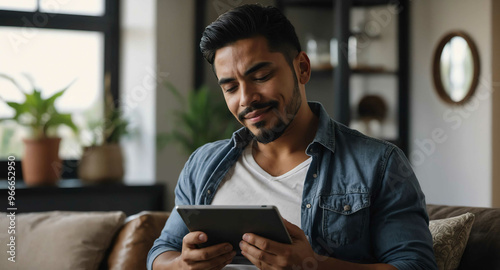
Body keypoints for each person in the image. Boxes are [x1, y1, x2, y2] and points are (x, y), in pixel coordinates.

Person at [148, 4, 437, 270]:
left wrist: (312, 265)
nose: (247, 98)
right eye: (231, 88)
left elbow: (416, 266)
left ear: (302, 68)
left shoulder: (379, 164)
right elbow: (161, 253)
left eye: (260, 76)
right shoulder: (203, 164)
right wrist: (181, 265)